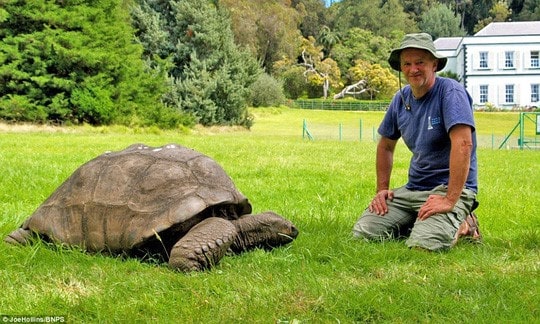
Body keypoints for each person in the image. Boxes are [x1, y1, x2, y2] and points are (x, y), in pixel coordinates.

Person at [352, 33, 481, 251]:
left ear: (434, 64)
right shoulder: (400, 99)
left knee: (424, 246)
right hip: (413, 188)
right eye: (407, 64)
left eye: (420, 62)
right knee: (363, 234)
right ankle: (422, 220)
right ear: (401, 68)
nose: (413, 69)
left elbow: (463, 144)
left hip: (448, 189)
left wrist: (449, 200)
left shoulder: (450, 92)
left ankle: (464, 222)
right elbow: (385, 145)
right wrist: (381, 190)